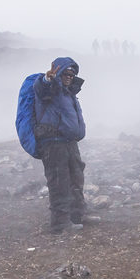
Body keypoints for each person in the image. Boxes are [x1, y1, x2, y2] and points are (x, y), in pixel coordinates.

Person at [33, 57, 89, 232]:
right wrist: (48, 79)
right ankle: (60, 224)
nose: (69, 76)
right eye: (65, 73)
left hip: (69, 142)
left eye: (72, 74)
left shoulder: (68, 93)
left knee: (76, 178)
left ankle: (77, 216)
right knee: (59, 181)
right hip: (54, 143)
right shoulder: (51, 89)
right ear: (58, 73)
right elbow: (42, 89)